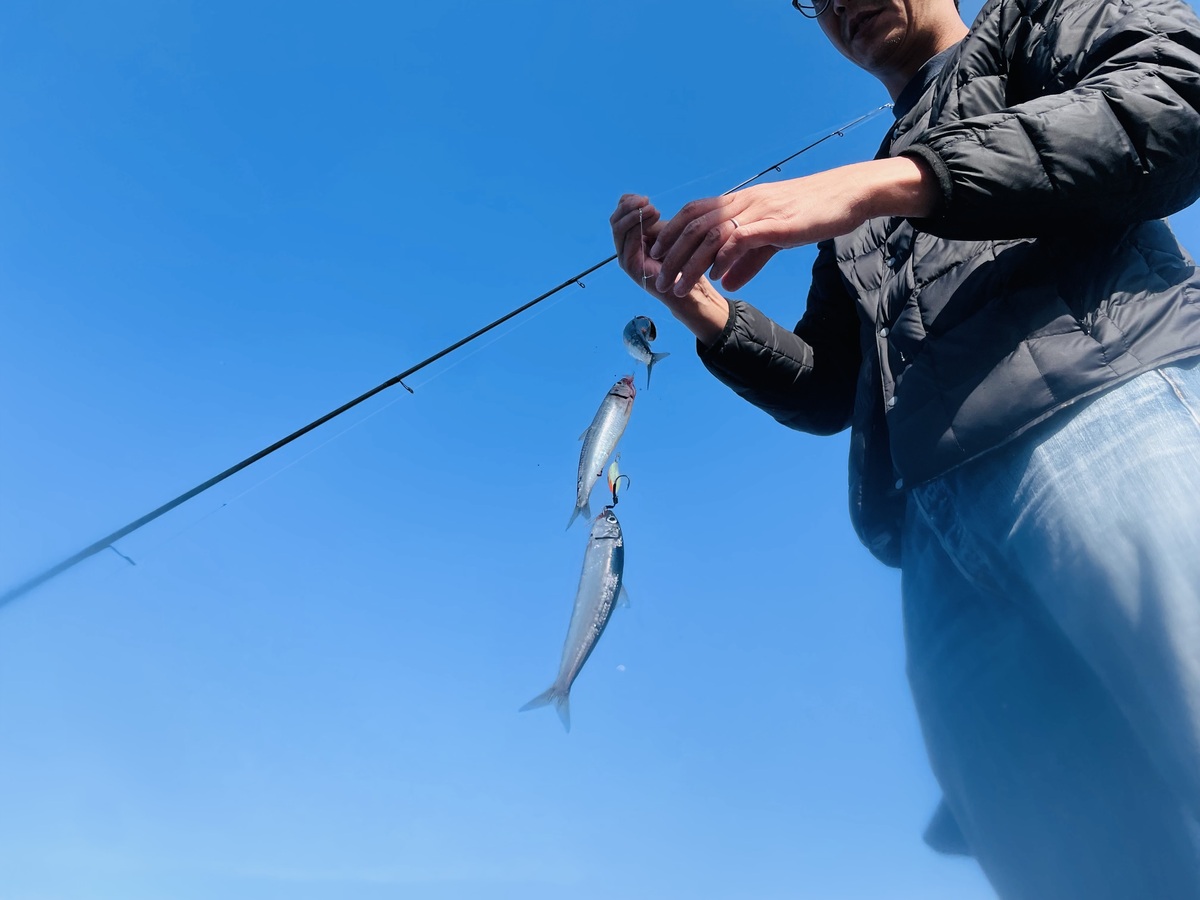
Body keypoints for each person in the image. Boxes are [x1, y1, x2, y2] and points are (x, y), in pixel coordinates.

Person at [610, 0, 1200, 895]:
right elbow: (823, 388)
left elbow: (1171, 95)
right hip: (938, 548)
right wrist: (701, 308)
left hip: (1103, 411)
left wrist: (884, 185)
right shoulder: (854, 203)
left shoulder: (1029, 21)